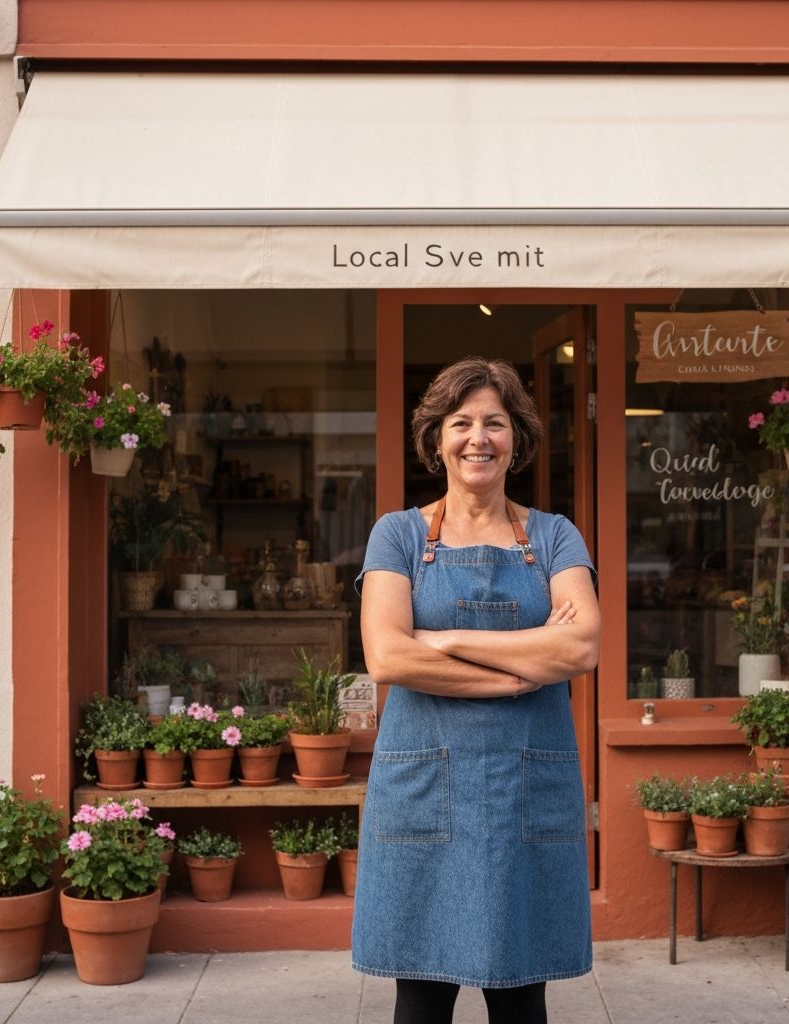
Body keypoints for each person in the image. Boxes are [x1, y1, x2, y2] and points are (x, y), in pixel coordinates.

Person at [352, 357, 601, 1024]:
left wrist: (442, 641)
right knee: (421, 999)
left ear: (516, 438)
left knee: (522, 995)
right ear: (436, 438)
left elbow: (581, 646)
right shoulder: (398, 535)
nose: (478, 438)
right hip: (424, 796)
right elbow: (386, 656)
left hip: (525, 793)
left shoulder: (553, 536)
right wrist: (519, 675)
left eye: (495, 422)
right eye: (461, 423)